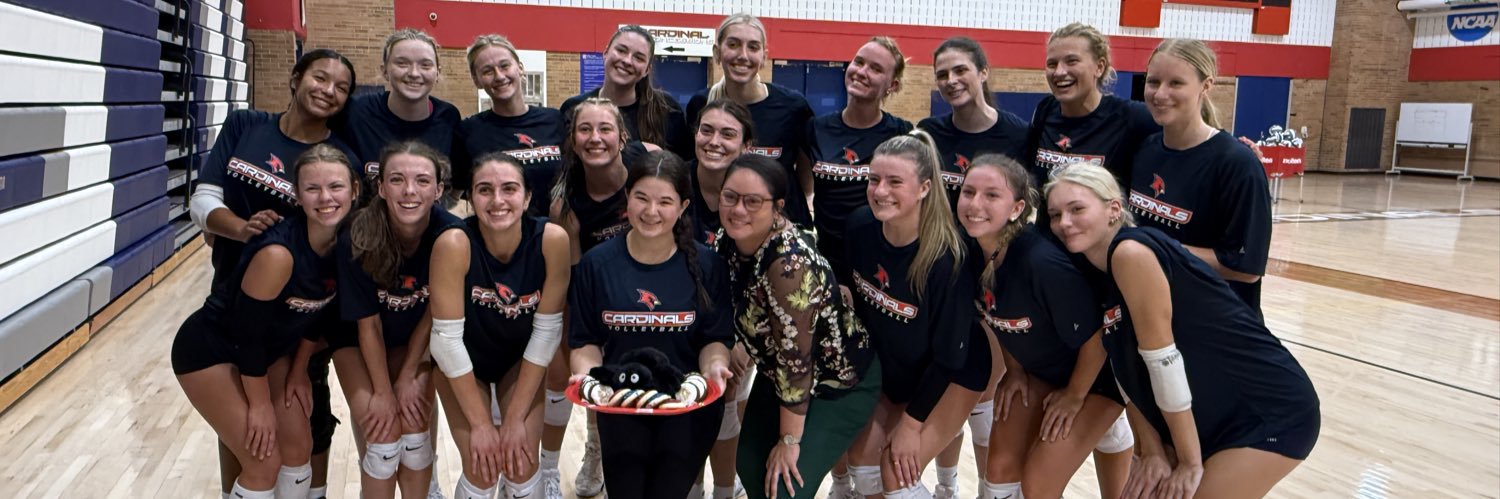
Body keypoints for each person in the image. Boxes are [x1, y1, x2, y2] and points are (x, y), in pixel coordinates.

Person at [1046, 163, 1320, 499]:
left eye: (1077, 209)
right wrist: (1152, 449)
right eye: (1055, 214)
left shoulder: (1131, 252)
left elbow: (1162, 360)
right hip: (1209, 416)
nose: (1064, 223)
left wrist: (1188, 461)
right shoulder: (1097, 273)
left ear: (1113, 208)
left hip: (1269, 411)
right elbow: (1123, 369)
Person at [188, 48, 359, 499]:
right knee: (252, 438)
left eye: (341, 87)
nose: (328, 90)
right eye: (320, 78)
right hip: (241, 298)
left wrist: (300, 364)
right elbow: (202, 201)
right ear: (296, 76)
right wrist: (243, 231)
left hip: (298, 315)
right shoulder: (246, 126)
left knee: (302, 427)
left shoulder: (340, 158)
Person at [956, 154, 1133, 499]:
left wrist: (1074, 396)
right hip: (1042, 372)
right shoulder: (969, 253)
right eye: (968, 192)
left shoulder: (1041, 263)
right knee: (998, 475)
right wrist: (1016, 369)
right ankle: (1109, 433)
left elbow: (1097, 335)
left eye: (991, 195)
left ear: (1017, 208)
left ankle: (1113, 428)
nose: (976, 203)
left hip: (1097, 380)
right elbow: (999, 317)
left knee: (1038, 484)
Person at [567, 150, 736, 499]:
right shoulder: (595, 265)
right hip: (622, 402)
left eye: (665, 201)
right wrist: (587, 379)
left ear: (683, 207)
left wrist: (715, 368)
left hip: (685, 408)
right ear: (626, 198)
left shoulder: (709, 266)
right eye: (641, 198)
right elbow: (584, 342)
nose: (651, 211)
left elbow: (714, 340)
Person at [712, 154, 881, 499]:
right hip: (783, 375)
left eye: (753, 201)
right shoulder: (727, 241)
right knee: (750, 466)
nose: (738, 209)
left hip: (838, 381)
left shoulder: (789, 266)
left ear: (777, 207)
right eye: (730, 197)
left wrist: (790, 442)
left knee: (786, 486)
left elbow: (797, 361)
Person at [843, 132, 989, 499]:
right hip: (894, 368)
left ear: (924, 188)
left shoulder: (946, 258)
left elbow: (949, 357)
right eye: (874, 179)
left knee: (897, 473)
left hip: (952, 372)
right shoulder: (861, 226)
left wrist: (911, 423)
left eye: (895, 182)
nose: (880, 191)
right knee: (861, 467)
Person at [915, 36, 1030, 497]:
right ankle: (946, 486)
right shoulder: (929, 132)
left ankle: (990, 487)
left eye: (960, 70)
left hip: (991, 276)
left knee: (986, 392)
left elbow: (1026, 207)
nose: (951, 81)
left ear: (983, 72)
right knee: (945, 385)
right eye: (942, 74)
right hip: (940, 273)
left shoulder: (1018, 134)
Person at [426, 153, 571, 499]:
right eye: (484, 190)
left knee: (520, 463)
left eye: (509, 189)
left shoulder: (552, 240)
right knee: (482, 467)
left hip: (518, 359)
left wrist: (514, 421)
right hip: (463, 363)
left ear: (528, 197)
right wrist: (481, 425)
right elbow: (446, 342)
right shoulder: (453, 244)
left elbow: (547, 332)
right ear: (471, 198)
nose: (498, 200)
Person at [332, 140, 464, 498]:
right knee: (383, 441)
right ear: (380, 187)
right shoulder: (358, 236)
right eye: (397, 180)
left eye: (422, 181)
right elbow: (367, 325)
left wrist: (409, 373)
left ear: (439, 190)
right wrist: (382, 391)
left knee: (416, 439)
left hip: (414, 340)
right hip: (357, 342)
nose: (409, 191)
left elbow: (437, 308)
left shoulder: (451, 234)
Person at [1127, 38, 1272, 312]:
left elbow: (1246, 268)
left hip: (1216, 324)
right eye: (1153, 82)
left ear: (1206, 85)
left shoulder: (1237, 164)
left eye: (1176, 83)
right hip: (1155, 317)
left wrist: (1151, 248)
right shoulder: (1144, 150)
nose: (1160, 94)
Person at [544, 97, 636, 496]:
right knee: (592, 367)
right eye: (585, 130)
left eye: (604, 129)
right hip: (598, 297)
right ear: (572, 139)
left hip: (651, 288)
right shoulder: (565, 204)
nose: (595, 138)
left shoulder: (646, 175)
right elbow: (576, 280)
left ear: (622, 137)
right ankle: (595, 448)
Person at [685, 98, 761, 499]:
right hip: (680, 318)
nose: (714, 141)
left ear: (746, 145)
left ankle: (726, 490)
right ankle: (693, 487)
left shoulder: (756, 191)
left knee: (728, 396)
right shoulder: (675, 182)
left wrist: (745, 343)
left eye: (727, 134)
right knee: (690, 406)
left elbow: (769, 273)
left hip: (738, 320)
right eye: (706, 130)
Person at [1023, 23, 1159, 232]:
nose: (1059, 72)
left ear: (1099, 66)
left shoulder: (1132, 117)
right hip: (1047, 245)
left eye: (1072, 61)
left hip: (1099, 253)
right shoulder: (1045, 109)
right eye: (1052, 64)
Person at [685, 13, 817, 226]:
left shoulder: (793, 107)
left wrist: (808, 203)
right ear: (717, 53)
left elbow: (805, 170)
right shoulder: (701, 104)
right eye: (733, 44)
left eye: (753, 47)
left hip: (784, 223)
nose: (743, 55)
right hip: (730, 223)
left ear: (764, 56)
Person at [805, 36, 915, 286]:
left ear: (893, 85)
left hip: (876, 260)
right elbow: (804, 184)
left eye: (876, 69)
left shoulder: (901, 134)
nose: (862, 72)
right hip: (825, 259)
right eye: (859, 62)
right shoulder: (816, 129)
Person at [453, 34, 566, 216]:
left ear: (520, 68)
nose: (499, 76)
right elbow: (456, 196)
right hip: (498, 237)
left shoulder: (556, 120)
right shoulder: (468, 132)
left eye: (505, 66)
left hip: (554, 236)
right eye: (488, 71)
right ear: (477, 80)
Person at [337, 28, 460, 192]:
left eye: (425, 65)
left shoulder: (448, 118)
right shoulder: (356, 112)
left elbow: (455, 184)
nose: (414, 73)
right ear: (384, 71)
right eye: (402, 63)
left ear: (437, 72)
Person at [559, 25, 691, 163]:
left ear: (647, 70)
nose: (627, 61)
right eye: (621, 50)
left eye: (639, 58)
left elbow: (682, 167)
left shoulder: (667, 110)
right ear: (605, 53)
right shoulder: (573, 107)